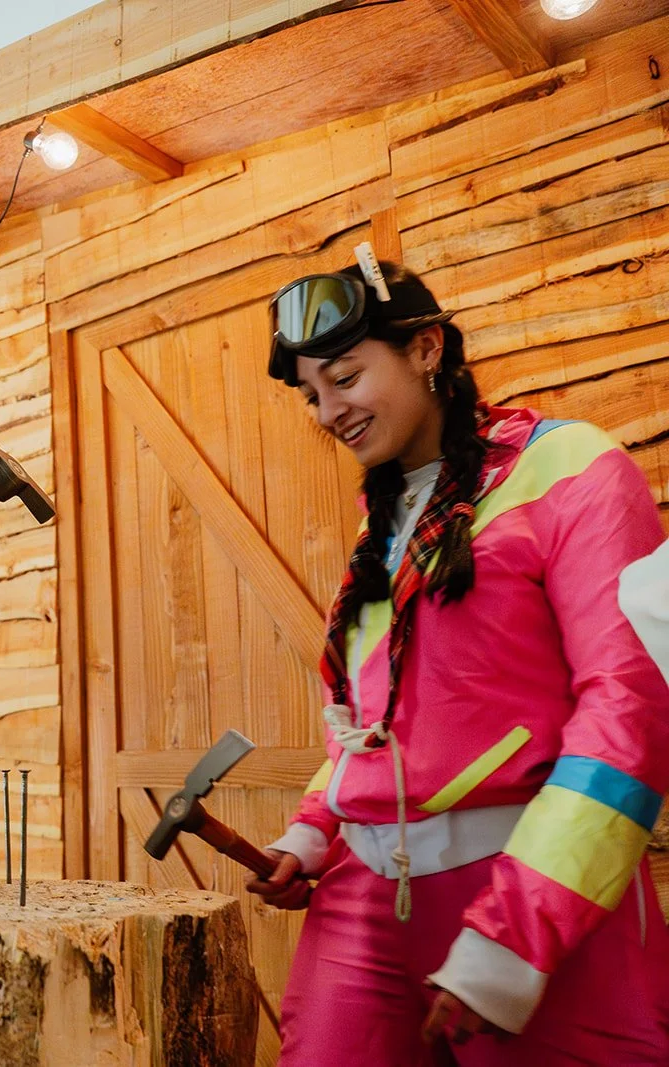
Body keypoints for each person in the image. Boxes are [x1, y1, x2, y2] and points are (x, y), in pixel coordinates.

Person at [246, 257, 669, 1063]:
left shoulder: (576, 467)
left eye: (345, 377)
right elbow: (372, 722)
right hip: (361, 900)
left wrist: (516, 932)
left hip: (528, 894)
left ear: (427, 348)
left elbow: (631, 709)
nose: (329, 411)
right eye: (311, 395)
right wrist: (312, 831)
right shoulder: (384, 522)